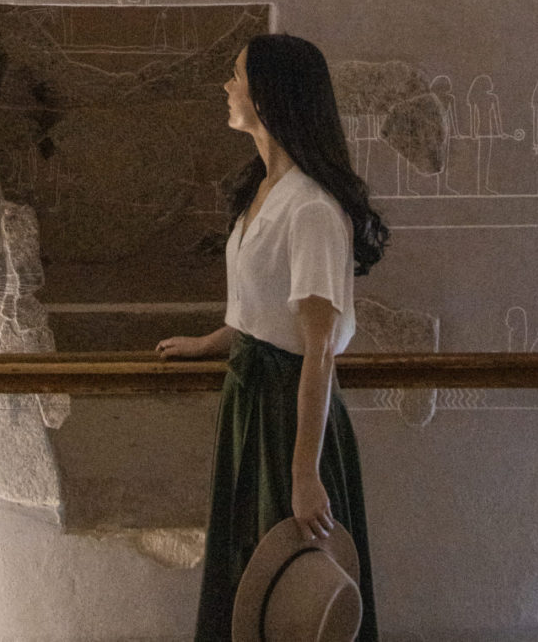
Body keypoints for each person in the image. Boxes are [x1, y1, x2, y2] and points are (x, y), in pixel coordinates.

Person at [157, 34, 386, 640]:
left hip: (289, 413)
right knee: (250, 576)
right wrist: (214, 341)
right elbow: (261, 307)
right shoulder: (264, 193)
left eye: (236, 76)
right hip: (252, 403)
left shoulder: (310, 208)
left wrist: (305, 474)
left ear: (270, 94)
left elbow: (317, 349)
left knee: (295, 587)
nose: (227, 87)